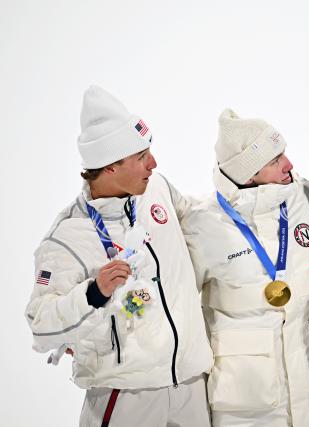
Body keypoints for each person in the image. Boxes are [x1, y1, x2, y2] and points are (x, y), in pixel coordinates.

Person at [25, 86, 213, 426]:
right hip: (127, 395)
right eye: (141, 157)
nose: (153, 164)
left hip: (190, 385)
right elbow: (41, 327)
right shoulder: (69, 237)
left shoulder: (156, 190)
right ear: (109, 166)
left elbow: (202, 220)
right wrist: (92, 293)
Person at [180, 105, 309, 426]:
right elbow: (172, 299)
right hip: (247, 405)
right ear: (247, 173)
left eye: (283, 153)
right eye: (275, 160)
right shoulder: (201, 223)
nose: (289, 164)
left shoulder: (306, 198)